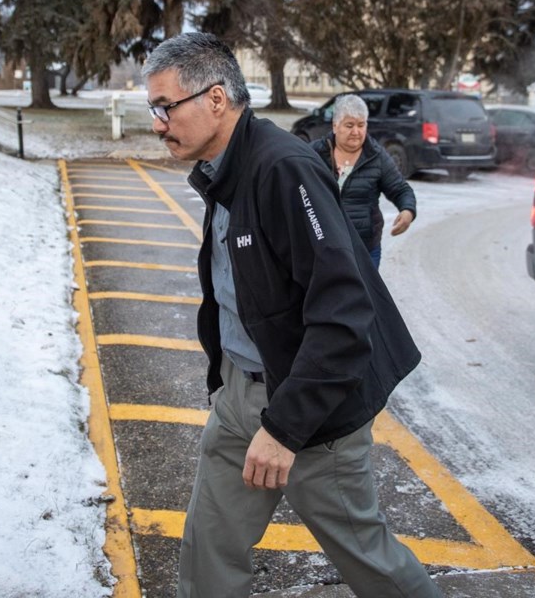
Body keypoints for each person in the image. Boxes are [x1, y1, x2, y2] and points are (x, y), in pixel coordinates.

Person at [141, 33, 441, 598]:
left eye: (165, 107)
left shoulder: (283, 168)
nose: (158, 123)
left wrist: (283, 428)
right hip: (239, 396)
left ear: (214, 99)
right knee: (209, 546)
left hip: (311, 413)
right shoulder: (223, 168)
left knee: (368, 559)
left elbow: (344, 311)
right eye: (153, 109)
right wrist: (232, 390)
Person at [310, 94, 416, 268]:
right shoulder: (315, 153)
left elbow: (400, 189)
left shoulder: (377, 156)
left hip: (365, 248)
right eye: (349, 125)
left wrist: (407, 211)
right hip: (322, 246)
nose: (356, 132)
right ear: (335, 126)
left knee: (365, 295)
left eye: (361, 125)